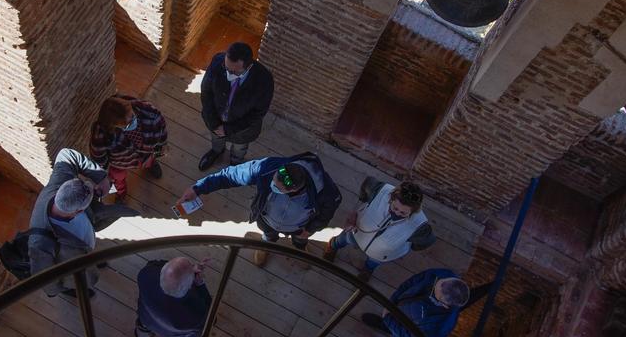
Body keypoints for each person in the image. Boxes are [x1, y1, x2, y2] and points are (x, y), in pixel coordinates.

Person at [178, 153, 341, 267]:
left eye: (277, 188)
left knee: (300, 239)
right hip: (267, 218)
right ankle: (266, 246)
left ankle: (300, 248)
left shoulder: (324, 190)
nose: (272, 184)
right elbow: (231, 175)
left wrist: (311, 229)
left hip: (299, 227)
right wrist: (197, 188)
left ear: (294, 190)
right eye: (274, 180)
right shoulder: (269, 168)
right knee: (268, 235)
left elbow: (330, 208)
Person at [28, 148, 137, 298]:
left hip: (84, 244)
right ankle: (75, 290)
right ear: (78, 212)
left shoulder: (61, 183)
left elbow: (67, 155)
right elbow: (44, 278)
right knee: (82, 280)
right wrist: (55, 291)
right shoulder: (40, 244)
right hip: (73, 264)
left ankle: (93, 257)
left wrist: (101, 178)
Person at [324, 178, 436, 281]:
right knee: (344, 239)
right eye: (395, 208)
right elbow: (367, 184)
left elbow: (427, 241)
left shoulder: (419, 226)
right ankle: (332, 245)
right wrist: (361, 202)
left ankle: (368, 269)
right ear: (391, 199)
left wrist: (407, 243)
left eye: (403, 213)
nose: (397, 213)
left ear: (413, 211)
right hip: (358, 231)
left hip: (382, 252)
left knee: (374, 261)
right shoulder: (379, 190)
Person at [359, 268, 469, 337]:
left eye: (436, 288)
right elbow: (411, 282)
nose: (435, 282)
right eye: (440, 281)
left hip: (405, 333)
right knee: (391, 322)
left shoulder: (438, 327)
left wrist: (387, 318)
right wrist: (391, 304)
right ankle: (384, 325)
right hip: (397, 310)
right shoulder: (443, 275)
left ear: (444, 304)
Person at [197, 41, 274, 170]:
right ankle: (216, 152)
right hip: (215, 119)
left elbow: (258, 112)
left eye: (234, 72)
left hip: (242, 128)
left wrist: (228, 130)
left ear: (248, 67)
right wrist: (214, 122)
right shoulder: (218, 61)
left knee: (240, 147)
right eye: (226, 69)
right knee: (216, 139)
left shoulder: (264, 80)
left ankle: (235, 163)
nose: (228, 75)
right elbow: (206, 92)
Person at [88, 94, 168, 202]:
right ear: (113, 125)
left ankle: (151, 164)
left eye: (132, 117)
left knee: (149, 160)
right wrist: (103, 173)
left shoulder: (149, 112)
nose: (131, 123)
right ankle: (121, 193)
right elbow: (99, 156)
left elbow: (161, 127)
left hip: (147, 153)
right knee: (118, 179)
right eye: (125, 125)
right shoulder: (101, 133)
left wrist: (162, 145)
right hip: (120, 163)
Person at [134, 257, 212, 337]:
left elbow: (156, 264)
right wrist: (200, 284)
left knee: (144, 325)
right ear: (190, 285)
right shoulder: (196, 314)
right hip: (174, 335)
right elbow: (209, 313)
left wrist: (189, 271)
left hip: (147, 317)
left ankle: (142, 336)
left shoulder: (145, 275)